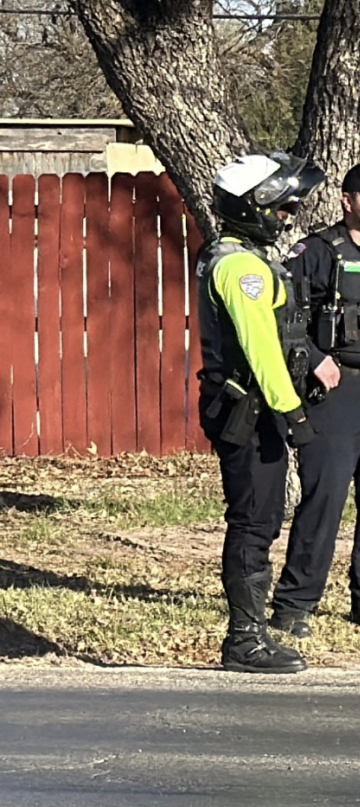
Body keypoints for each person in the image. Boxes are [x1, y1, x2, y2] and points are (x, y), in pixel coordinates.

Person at [197, 151, 323, 673]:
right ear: (255, 207)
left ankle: (248, 636)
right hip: (248, 410)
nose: (289, 216)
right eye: (283, 207)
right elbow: (260, 347)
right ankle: (244, 641)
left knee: (261, 519)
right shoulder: (241, 267)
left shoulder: (240, 257)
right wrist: (293, 414)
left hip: (251, 406)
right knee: (253, 522)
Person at [271, 165, 360, 637]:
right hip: (336, 387)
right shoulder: (319, 251)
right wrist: (318, 357)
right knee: (324, 497)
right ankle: (295, 604)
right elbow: (283, 316)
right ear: (348, 200)